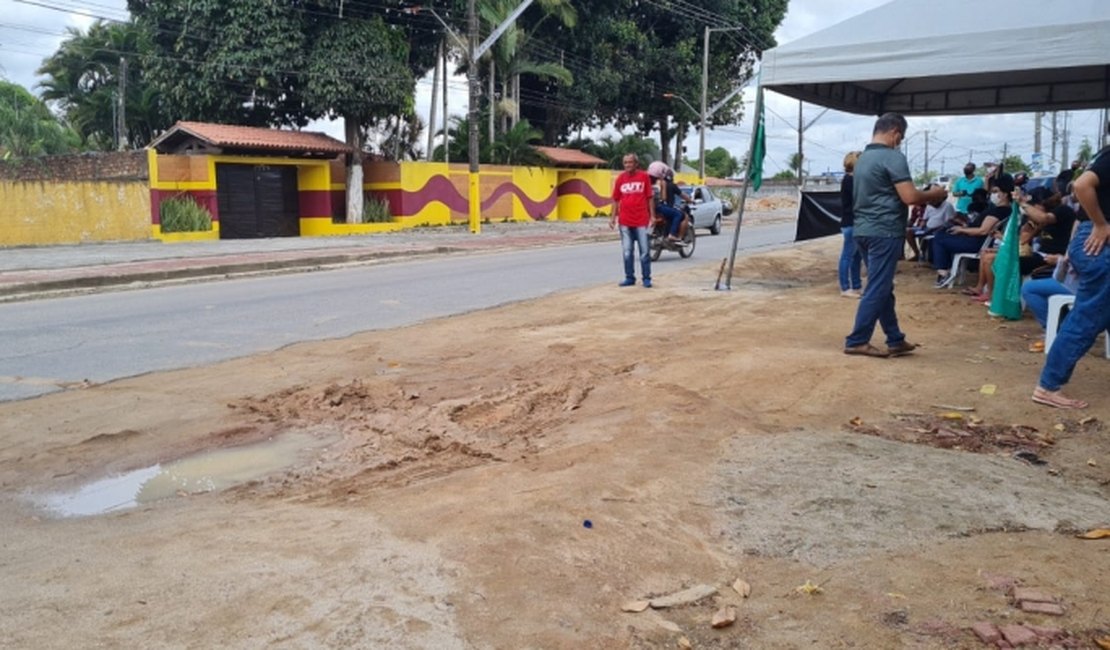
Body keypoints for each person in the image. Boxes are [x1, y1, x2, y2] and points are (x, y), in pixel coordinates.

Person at [844, 113, 948, 358]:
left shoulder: (862, 159)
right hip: (885, 231)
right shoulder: (893, 157)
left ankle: (895, 339)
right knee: (878, 287)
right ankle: (857, 339)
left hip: (863, 230)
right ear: (895, 133)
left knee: (882, 286)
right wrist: (933, 194)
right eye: (899, 138)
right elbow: (910, 197)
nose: (899, 142)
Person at [1032, 144, 1110, 409]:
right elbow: (1081, 185)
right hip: (1101, 246)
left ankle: (1048, 385)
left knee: (1097, 314)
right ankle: (1048, 386)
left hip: (1094, 244)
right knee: (1087, 319)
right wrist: (1101, 225)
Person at [930, 175, 1012, 287]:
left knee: (939, 238)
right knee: (944, 234)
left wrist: (962, 230)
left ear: (1005, 194)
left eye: (995, 191)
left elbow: (983, 231)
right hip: (975, 240)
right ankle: (946, 269)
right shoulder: (1001, 209)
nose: (992, 194)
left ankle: (943, 272)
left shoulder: (999, 211)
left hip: (976, 242)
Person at [610, 153, 655, 288]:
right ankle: (629, 277)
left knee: (644, 251)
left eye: (630, 162)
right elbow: (616, 199)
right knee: (627, 251)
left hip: (642, 220)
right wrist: (612, 218)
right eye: (625, 163)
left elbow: (649, 197)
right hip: (625, 221)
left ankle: (646, 278)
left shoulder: (644, 177)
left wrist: (652, 216)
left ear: (636, 164)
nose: (628, 165)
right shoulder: (620, 179)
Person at [838, 151, 864, 297]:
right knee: (848, 255)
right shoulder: (850, 180)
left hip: (854, 222)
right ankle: (845, 287)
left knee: (856, 256)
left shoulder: (851, 179)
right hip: (851, 222)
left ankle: (856, 285)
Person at [646, 161, 688, 242]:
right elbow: (664, 198)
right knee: (678, 214)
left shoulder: (645, 182)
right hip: (658, 207)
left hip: (646, 208)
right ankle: (671, 234)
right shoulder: (661, 182)